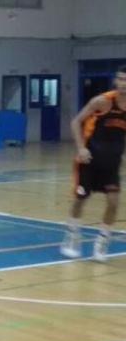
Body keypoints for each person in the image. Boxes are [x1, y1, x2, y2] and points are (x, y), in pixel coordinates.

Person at [61, 66, 126, 262]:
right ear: (116, 81)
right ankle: (72, 235)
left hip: (111, 163)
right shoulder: (103, 101)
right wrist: (81, 148)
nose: (123, 83)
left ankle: (102, 241)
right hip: (89, 160)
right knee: (81, 199)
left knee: (114, 203)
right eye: (121, 79)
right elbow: (76, 122)